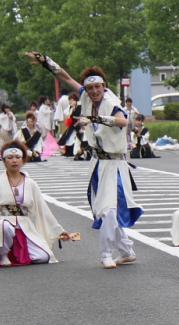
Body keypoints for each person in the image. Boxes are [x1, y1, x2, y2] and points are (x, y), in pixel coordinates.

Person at [26, 51, 143, 269]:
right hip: (97, 163)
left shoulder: (111, 101)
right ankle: (126, 250)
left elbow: (123, 121)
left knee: (109, 210)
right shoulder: (86, 97)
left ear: (104, 86)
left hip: (115, 164)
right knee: (102, 210)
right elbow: (65, 77)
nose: (94, 91)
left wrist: (94, 118)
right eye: (90, 88)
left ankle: (106, 253)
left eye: (98, 87)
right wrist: (46, 62)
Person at [0, 142, 71, 268]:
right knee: (4, 226)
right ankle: (3, 254)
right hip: (2, 225)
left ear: (23, 161)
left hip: (24, 227)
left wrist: (59, 231)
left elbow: (43, 210)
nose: (14, 161)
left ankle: (18, 253)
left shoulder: (31, 183)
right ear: (4, 161)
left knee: (44, 257)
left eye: (17, 157)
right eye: (10, 158)